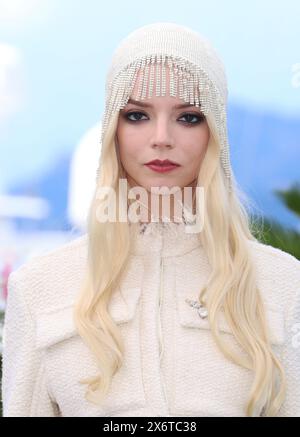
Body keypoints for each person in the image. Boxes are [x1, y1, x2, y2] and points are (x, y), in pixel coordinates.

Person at [2, 22, 300, 417]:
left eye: (189, 117)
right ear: (113, 129)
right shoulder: (39, 287)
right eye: (137, 115)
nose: (162, 137)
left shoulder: (283, 284)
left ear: (217, 133)